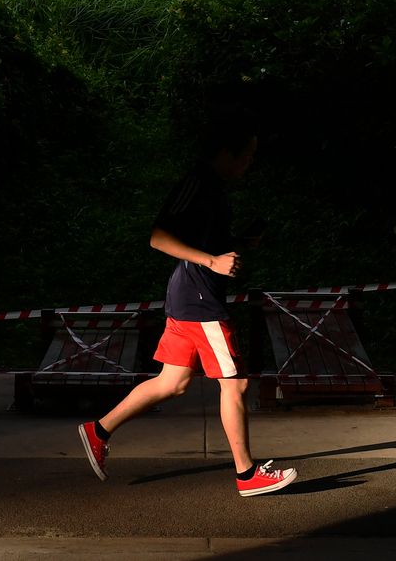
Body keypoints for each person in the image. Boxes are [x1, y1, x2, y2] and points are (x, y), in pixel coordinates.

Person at [78, 105, 297, 497]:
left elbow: (206, 243)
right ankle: (247, 475)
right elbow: (159, 237)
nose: (251, 162)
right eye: (248, 154)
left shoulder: (217, 188)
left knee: (173, 382)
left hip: (190, 296)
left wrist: (235, 245)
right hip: (199, 301)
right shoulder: (196, 183)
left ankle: (98, 431)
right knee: (236, 383)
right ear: (226, 151)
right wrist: (212, 260)